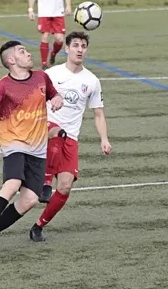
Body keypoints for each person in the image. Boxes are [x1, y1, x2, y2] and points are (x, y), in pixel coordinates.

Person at [0, 41, 64, 259]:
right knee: (12, 185)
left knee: (30, 200)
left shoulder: (41, 77)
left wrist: (58, 98)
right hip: (14, 144)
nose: (28, 53)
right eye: (22, 52)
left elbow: (53, 94)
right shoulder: (3, 85)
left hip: (38, 149)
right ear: (11, 60)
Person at [30, 30, 112, 242]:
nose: (79, 50)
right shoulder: (53, 74)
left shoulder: (92, 81)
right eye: (75, 45)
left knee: (65, 187)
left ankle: (38, 226)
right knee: (58, 134)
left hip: (71, 138)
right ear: (67, 48)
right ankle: (45, 184)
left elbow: (98, 113)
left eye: (83, 46)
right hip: (46, 128)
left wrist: (104, 139)